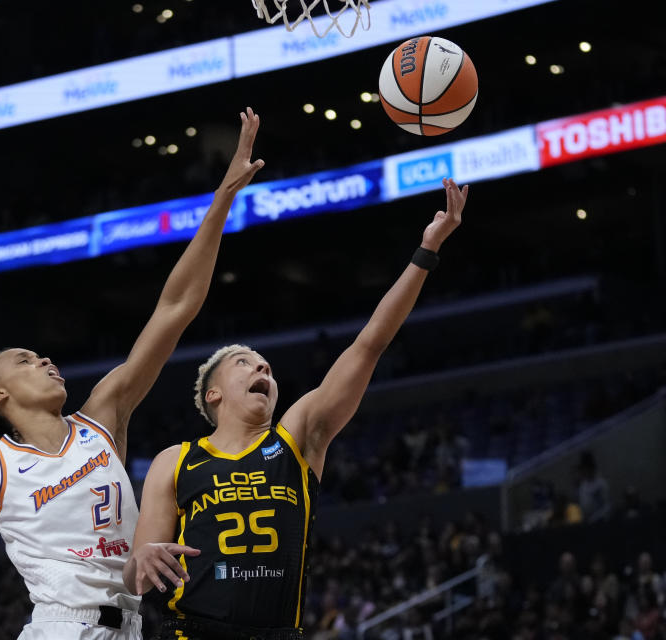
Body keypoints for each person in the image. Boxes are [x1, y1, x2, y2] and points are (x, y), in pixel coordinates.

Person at [0, 107, 266, 640]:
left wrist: (222, 199)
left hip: (130, 629)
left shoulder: (104, 414)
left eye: (42, 356)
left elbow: (175, 305)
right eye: (25, 360)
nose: (45, 360)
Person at [124, 179, 469, 640]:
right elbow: (136, 575)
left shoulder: (298, 437)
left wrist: (427, 251)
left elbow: (370, 344)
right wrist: (140, 560)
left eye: (265, 364)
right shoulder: (176, 460)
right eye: (243, 362)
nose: (261, 365)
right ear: (213, 394)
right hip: (190, 631)